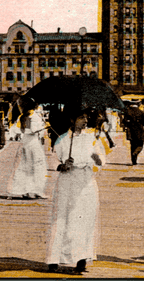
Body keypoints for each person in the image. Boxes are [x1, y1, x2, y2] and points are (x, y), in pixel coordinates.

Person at [46, 108, 105, 274]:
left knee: (84, 220)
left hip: (86, 183)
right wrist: (63, 165)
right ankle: (54, 260)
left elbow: (100, 160)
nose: (85, 121)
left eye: (86, 118)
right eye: (81, 117)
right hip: (68, 182)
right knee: (62, 218)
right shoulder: (63, 139)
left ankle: (81, 259)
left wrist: (97, 159)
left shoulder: (92, 138)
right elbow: (52, 160)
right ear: (72, 120)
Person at [9, 96, 48, 199]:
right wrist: (41, 128)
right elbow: (24, 130)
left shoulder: (30, 116)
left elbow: (19, 130)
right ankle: (26, 190)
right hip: (29, 141)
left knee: (35, 166)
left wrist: (42, 130)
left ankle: (35, 190)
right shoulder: (27, 117)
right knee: (30, 166)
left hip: (32, 142)